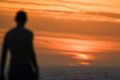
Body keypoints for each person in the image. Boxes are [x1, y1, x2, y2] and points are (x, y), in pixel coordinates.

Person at [0, 11, 39, 80]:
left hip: (14, 69)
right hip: (25, 69)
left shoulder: (9, 34)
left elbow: (4, 55)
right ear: (26, 20)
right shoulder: (28, 34)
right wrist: (36, 69)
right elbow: (31, 52)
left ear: (15, 19)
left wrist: (1, 71)